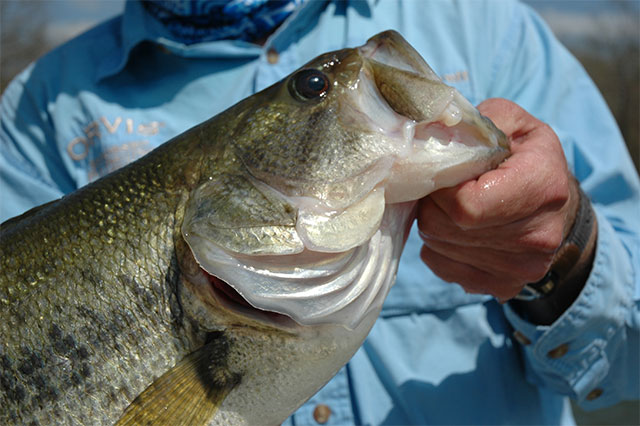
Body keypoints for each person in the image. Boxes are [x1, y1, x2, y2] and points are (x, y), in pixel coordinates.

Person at [1, 0, 638, 424]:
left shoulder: (491, 30)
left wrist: (569, 249)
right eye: (315, 91)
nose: (346, 86)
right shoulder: (38, 111)